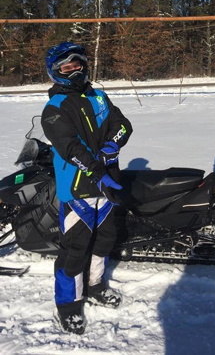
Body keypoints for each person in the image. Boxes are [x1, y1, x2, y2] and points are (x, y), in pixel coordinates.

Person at [41, 41, 133, 335]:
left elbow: (123, 125)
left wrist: (112, 144)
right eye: (67, 66)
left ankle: (95, 286)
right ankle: (68, 304)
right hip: (78, 187)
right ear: (56, 72)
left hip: (107, 186)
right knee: (75, 248)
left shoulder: (99, 96)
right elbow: (69, 148)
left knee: (105, 239)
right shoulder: (54, 108)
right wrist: (98, 170)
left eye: (78, 63)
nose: (75, 69)